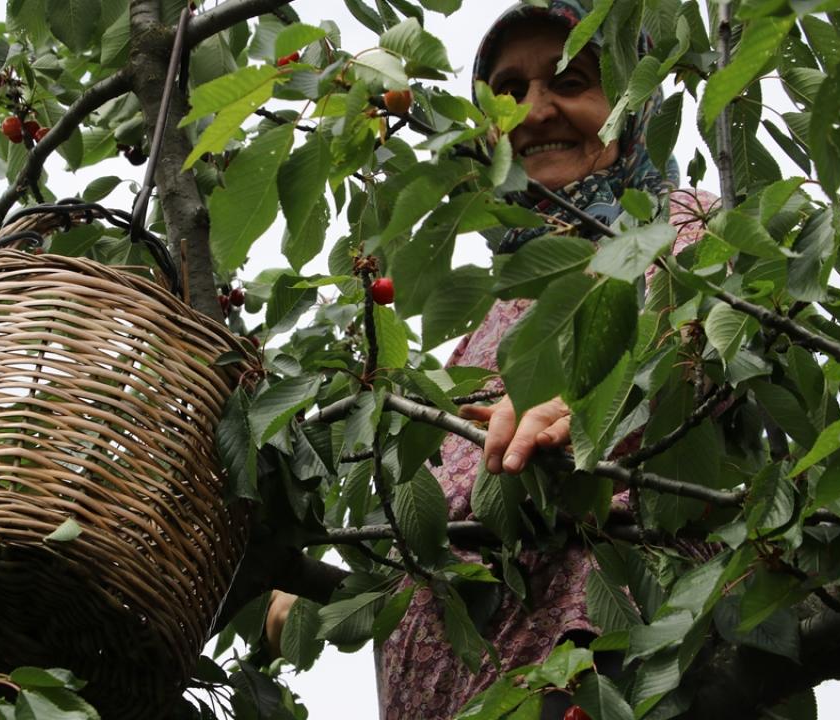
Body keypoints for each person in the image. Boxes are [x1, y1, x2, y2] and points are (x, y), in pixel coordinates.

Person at [268, 3, 715, 718]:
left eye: (571, 80)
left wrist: (586, 406)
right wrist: (349, 575)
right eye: (507, 92)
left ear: (630, 100)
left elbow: (697, 352)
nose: (537, 112)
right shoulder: (488, 313)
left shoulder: (685, 229)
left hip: (587, 669)